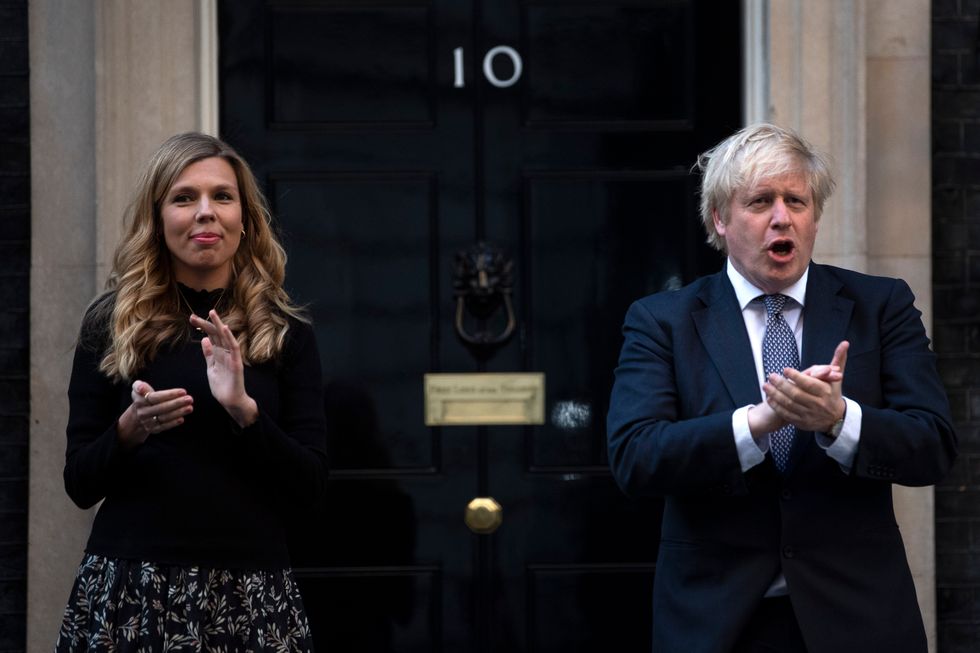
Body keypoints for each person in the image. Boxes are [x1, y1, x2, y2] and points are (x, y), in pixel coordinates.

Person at [606, 123, 957, 653]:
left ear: (814, 216)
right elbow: (636, 457)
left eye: (797, 200)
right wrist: (756, 424)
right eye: (760, 201)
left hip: (858, 618)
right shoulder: (662, 321)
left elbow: (933, 446)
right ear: (720, 219)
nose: (781, 217)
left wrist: (840, 421)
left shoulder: (880, 306)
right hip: (717, 622)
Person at [55, 133, 328, 652]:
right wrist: (128, 431)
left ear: (244, 218)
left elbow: (310, 485)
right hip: (133, 589)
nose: (206, 212)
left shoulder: (286, 333)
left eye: (222, 197)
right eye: (184, 198)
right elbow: (79, 483)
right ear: (158, 219)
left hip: (251, 591)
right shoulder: (111, 326)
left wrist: (246, 413)